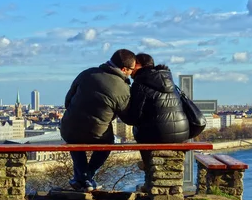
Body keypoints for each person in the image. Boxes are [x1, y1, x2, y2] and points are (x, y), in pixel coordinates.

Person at [60, 48, 136, 192]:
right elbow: (128, 118)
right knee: (107, 144)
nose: (132, 74)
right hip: (97, 133)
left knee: (74, 140)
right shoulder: (123, 88)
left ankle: (82, 179)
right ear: (124, 69)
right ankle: (87, 177)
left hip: (68, 127)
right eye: (132, 70)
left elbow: (68, 101)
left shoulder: (87, 73)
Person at [124, 53, 190, 187]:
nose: (130, 70)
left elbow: (133, 118)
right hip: (182, 133)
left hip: (159, 134)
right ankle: (151, 176)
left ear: (138, 65)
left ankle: (148, 166)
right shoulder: (168, 80)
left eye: (132, 65)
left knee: (138, 129)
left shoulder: (140, 83)